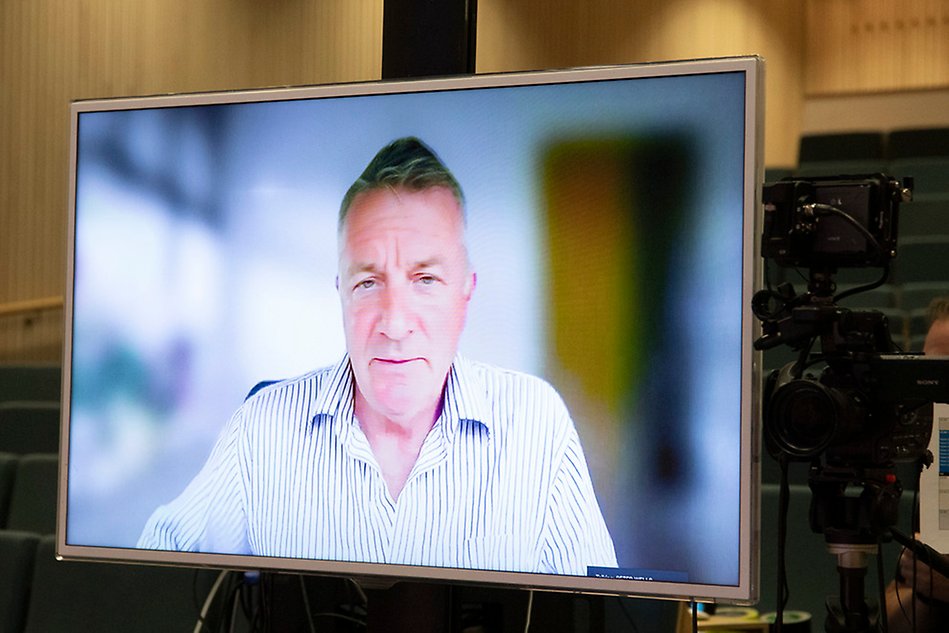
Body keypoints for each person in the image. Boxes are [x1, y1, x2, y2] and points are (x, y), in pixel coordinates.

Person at [138, 137, 617, 576]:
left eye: (425, 280)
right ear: (341, 293)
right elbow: (148, 573)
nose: (394, 324)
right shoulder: (262, 428)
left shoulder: (535, 422)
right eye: (368, 283)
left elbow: (603, 607)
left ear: (465, 294)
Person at [886, 296, 949, 632]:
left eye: (944, 373)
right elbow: (891, 618)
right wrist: (924, 586)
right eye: (926, 370)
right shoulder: (939, 459)